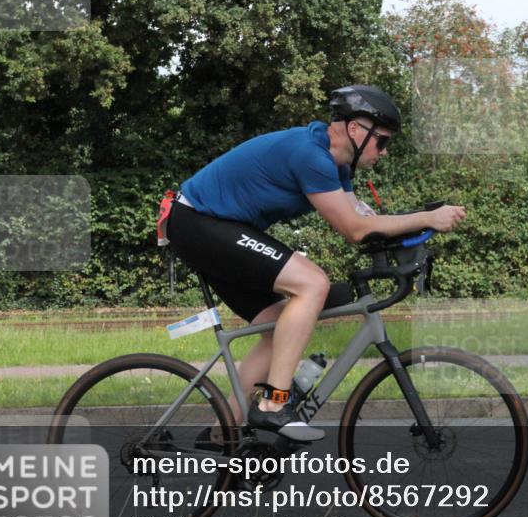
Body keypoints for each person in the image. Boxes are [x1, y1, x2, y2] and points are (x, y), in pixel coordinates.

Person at [164, 85, 466, 442]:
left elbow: (364, 221)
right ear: (356, 129)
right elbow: (355, 229)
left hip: (221, 226)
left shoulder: (337, 168)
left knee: (277, 328)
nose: (383, 152)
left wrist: (410, 239)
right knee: (311, 283)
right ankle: (274, 405)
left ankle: (222, 435)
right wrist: (425, 219)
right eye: (381, 141)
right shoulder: (311, 155)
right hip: (198, 221)